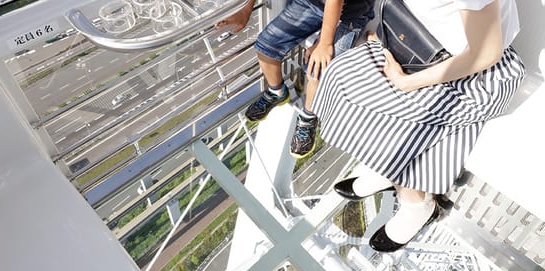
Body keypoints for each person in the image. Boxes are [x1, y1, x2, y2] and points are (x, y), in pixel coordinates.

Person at [313, 0, 525, 252]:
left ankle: (416, 203)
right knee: (340, 76)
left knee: (397, 123)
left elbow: (486, 55)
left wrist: (407, 83)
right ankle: (389, 168)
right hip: (413, 41)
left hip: (469, 74)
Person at [216, 0, 376, 158]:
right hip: (312, 4)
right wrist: (246, 10)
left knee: (319, 68)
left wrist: (324, 43)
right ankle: (277, 92)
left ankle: (308, 119)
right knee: (266, 45)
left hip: (351, 12)